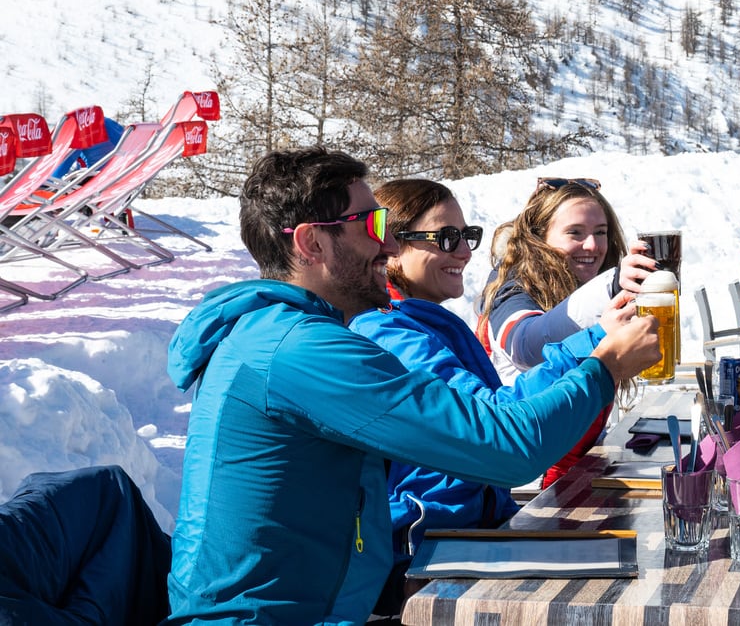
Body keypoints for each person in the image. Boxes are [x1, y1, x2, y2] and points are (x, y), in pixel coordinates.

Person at [164, 149, 660, 625]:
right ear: (312, 243)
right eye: (374, 227)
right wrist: (602, 363)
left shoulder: (293, 336)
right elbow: (507, 445)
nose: (388, 244)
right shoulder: (301, 351)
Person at [349, 179, 637, 574]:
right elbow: (496, 413)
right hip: (427, 551)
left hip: (475, 530)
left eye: (466, 236)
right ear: (393, 250)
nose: (466, 252)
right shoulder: (390, 334)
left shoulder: (429, 322)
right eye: (446, 238)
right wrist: (599, 344)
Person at [477, 176, 656, 486]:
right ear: (538, 237)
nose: (592, 246)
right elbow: (528, 343)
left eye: (600, 233)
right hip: (530, 489)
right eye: (575, 233)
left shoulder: (578, 283)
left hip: (578, 474)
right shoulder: (511, 288)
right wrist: (610, 286)